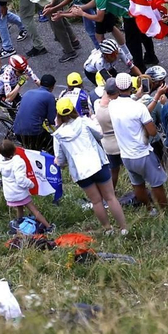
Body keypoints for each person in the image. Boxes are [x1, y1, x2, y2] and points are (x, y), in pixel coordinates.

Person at [52, 95, 128, 234]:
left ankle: (108, 229)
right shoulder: (84, 122)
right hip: (98, 164)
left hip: (81, 173)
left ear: (58, 114)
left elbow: (61, 161)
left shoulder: (58, 135)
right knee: (110, 197)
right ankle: (123, 228)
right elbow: (100, 135)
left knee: (96, 201)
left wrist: (57, 161)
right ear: (73, 109)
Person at [109, 73, 168, 211]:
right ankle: (165, 211)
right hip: (143, 154)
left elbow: (127, 102)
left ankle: (149, 209)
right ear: (131, 86)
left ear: (117, 87)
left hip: (126, 156)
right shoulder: (139, 108)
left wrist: (137, 96)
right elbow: (153, 131)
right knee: (157, 184)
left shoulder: (112, 106)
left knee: (138, 185)